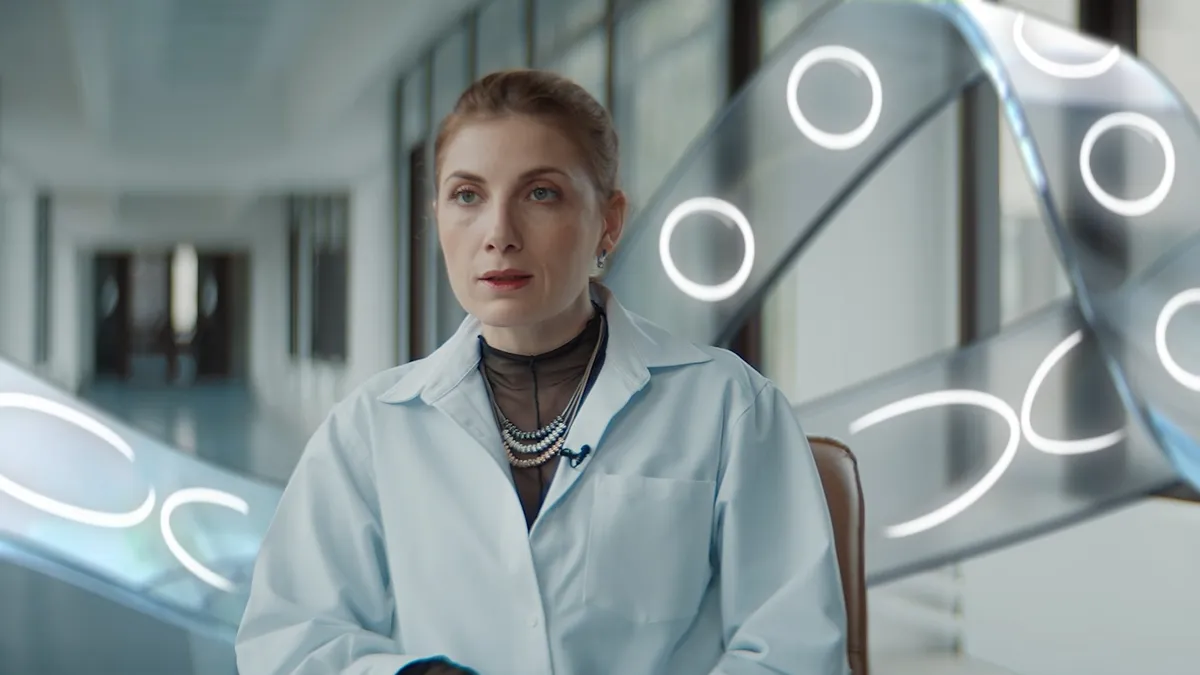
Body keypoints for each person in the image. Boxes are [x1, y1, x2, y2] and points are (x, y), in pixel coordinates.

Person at [235, 69, 849, 675]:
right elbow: (288, 644)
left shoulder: (729, 407)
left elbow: (794, 651)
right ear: (438, 217)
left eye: (540, 194)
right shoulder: (370, 427)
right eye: (468, 196)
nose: (499, 235)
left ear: (609, 221)